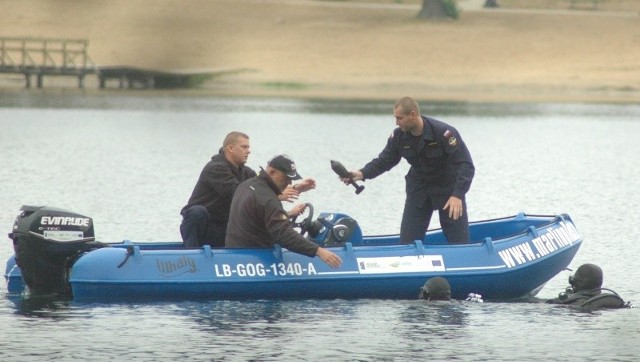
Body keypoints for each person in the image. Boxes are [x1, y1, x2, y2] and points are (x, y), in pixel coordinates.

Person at [341, 97, 475, 244]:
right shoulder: (398, 136)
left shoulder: (444, 133)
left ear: (412, 115)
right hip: (419, 190)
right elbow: (384, 161)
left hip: (449, 192)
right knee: (407, 243)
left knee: (460, 242)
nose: (396, 123)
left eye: (399, 118)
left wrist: (458, 195)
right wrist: (360, 174)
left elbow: (466, 166)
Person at [180, 132, 316, 248]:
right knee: (197, 212)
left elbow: (266, 185)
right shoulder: (215, 168)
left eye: (249, 147)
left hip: (225, 227)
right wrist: (278, 196)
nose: (248, 151)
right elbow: (240, 193)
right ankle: (191, 256)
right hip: (203, 225)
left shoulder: (246, 172)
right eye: (244, 147)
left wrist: (297, 188)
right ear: (230, 148)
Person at [225, 154, 342, 268]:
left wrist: (288, 214)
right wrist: (319, 251)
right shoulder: (268, 199)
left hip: (234, 252)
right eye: (286, 177)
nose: (289, 183)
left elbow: (258, 218)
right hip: (256, 258)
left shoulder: (246, 185)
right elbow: (284, 235)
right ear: (272, 172)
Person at [545, 263, 631, 310]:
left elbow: (542, 303)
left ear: (580, 282)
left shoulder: (575, 302)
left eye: (574, 279)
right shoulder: (611, 299)